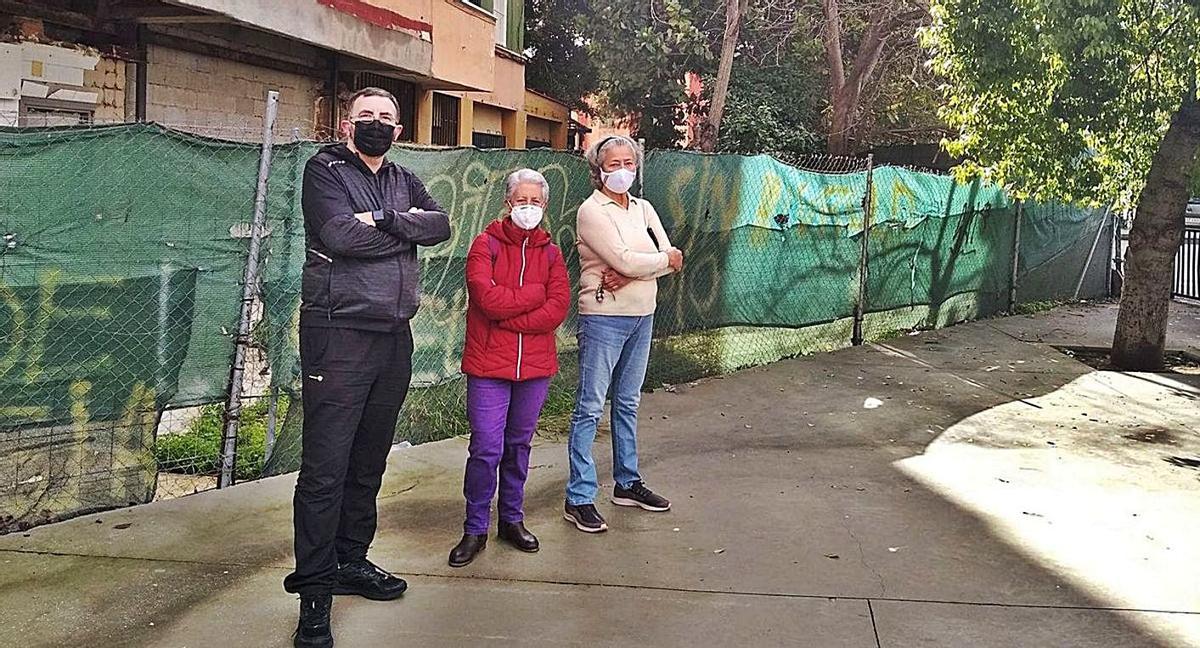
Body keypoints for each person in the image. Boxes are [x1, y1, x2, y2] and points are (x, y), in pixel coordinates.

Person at [286, 87, 451, 648]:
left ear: (399, 129)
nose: (377, 124)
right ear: (346, 123)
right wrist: (403, 233)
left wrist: (382, 219)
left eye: (387, 117)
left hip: (392, 339)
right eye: (367, 116)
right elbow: (338, 236)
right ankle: (314, 595)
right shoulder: (324, 169)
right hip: (339, 335)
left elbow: (440, 226)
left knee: (367, 460)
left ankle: (350, 561)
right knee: (326, 467)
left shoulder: (402, 178)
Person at [449, 168, 570, 567]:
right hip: (488, 367)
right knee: (486, 448)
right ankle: (475, 527)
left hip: (535, 369)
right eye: (522, 200)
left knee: (518, 447)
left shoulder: (551, 253)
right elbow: (487, 300)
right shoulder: (485, 245)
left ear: (545, 205)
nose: (529, 207)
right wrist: (531, 297)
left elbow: (557, 309)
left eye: (536, 201)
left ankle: (512, 520)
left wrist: (510, 315)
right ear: (508, 201)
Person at [563, 135, 684, 533]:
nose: (622, 171)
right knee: (590, 406)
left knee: (628, 402)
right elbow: (624, 258)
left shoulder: (644, 208)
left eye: (628, 163)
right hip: (604, 317)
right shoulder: (591, 211)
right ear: (598, 170)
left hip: (642, 314)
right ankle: (579, 497)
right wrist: (651, 263)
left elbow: (672, 257)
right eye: (612, 164)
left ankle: (627, 482)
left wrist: (643, 267)